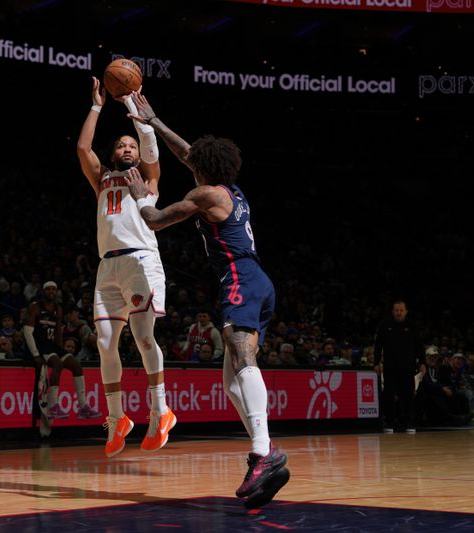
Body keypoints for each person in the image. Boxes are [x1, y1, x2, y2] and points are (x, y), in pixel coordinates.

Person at [123, 92, 286, 503]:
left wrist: (141, 194)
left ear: (203, 169)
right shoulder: (231, 190)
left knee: (240, 355)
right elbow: (191, 154)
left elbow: (157, 221)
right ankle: (265, 453)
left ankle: (263, 452)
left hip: (240, 277)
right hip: (258, 279)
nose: (190, 161)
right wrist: (155, 121)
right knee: (230, 378)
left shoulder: (205, 196)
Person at [76, 77, 175, 457]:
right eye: (122, 145)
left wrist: (134, 109)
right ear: (114, 153)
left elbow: (151, 148)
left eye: (131, 145)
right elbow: (83, 147)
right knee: (104, 344)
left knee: (144, 336)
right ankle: (117, 417)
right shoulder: (102, 179)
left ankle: (160, 409)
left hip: (140, 260)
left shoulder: (148, 180)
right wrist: (98, 106)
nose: (128, 148)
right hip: (107, 268)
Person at [22, 281, 101, 419]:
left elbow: (58, 332)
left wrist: (60, 349)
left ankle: (83, 407)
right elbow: (27, 332)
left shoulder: (58, 309)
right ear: (43, 291)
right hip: (39, 346)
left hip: (52, 346)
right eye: (48, 289)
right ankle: (53, 406)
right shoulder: (35, 307)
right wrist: (35, 354)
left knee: (76, 365)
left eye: (54, 289)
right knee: (57, 363)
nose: (51, 292)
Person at [373, 300, 424, 434]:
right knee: (389, 396)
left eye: (401, 310)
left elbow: (419, 346)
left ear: (406, 312)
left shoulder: (412, 326)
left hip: (408, 368)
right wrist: (376, 362)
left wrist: (422, 363)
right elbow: (378, 346)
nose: (399, 313)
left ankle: (410, 423)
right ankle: (389, 422)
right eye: (396, 310)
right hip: (390, 368)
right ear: (392, 311)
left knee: (408, 396)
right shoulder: (385, 325)